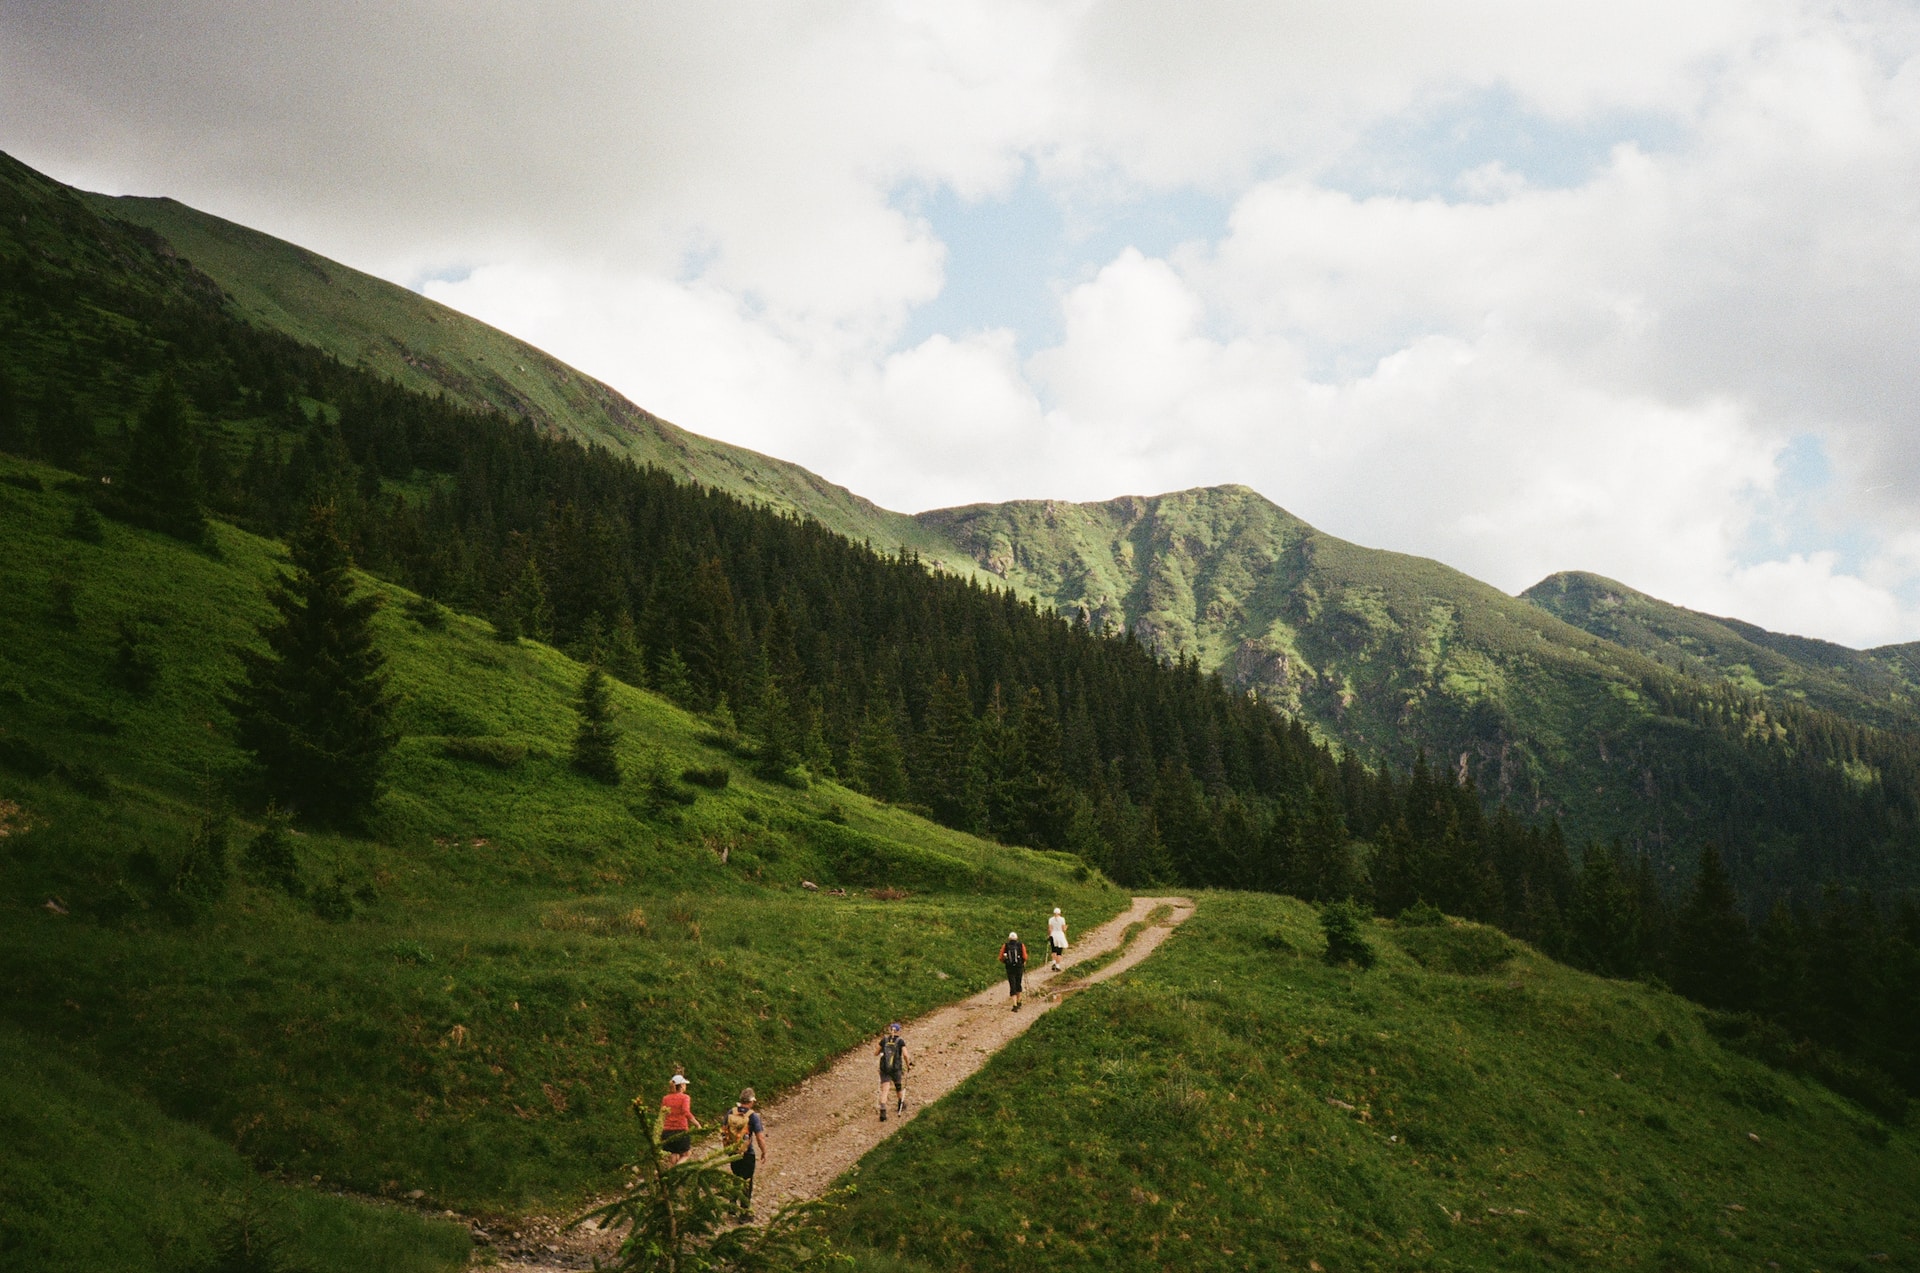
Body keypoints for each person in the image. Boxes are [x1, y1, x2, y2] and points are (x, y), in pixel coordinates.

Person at [721, 1087, 767, 1214]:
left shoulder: (731, 1112)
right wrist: (763, 1151)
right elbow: (760, 1136)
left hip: (733, 1152)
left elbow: (724, 1130)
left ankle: (732, 1207)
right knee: (747, 1181)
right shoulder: (753, 1116)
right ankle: (744, 1212)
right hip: (747, 1153)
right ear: (751, 1101)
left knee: (736, 1177)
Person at [659, 1072, 701, 1165]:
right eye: (685, 1084)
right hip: (681, 1129)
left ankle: (672, 1175)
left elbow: (662, 1113)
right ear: (681, 1086)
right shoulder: (685, 1097)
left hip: (667, 1131)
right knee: (686, 1154)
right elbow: (686, 1112)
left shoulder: (665, 1098)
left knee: (674, 1153)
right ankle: (675, 1170)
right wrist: (696, 1123)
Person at [876, 1022, 908, 1120]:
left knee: (885, 1089)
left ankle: (883, 1109)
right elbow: (905, 1055)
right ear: (899, 1031)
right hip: (896, 1068)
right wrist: (908, 1065)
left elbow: (876, 1052)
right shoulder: (900, 1041)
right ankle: (900, 1104)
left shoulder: (884, 1040)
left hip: (885, 1068)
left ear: (890, 1030)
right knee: (898, 1086)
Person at [1000, 931, 1027, 1010]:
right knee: (1018, 983)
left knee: (1012, 984)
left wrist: (1005, 962)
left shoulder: (1005, 946)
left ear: (1009, 938)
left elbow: (1001, 957)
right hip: (1019, 967)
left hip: (1009, 968)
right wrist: (1023, 962)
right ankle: (1019, 1001)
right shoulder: (1021, 945)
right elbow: (1025, 956)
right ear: (1016, 938)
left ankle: (1014, 1005)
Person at [1047, 906, 1069, 971]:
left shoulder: (1050, 919)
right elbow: (1063, 929)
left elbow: (1050, 929)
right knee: (1059, 951)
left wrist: (1049, 935)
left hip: (1053, 935)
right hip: (1060, 935)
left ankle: (1054, 962)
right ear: (1060, 913)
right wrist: (1066, 927)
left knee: (1053, 950)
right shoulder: (1062, 919)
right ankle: (1057, 965)